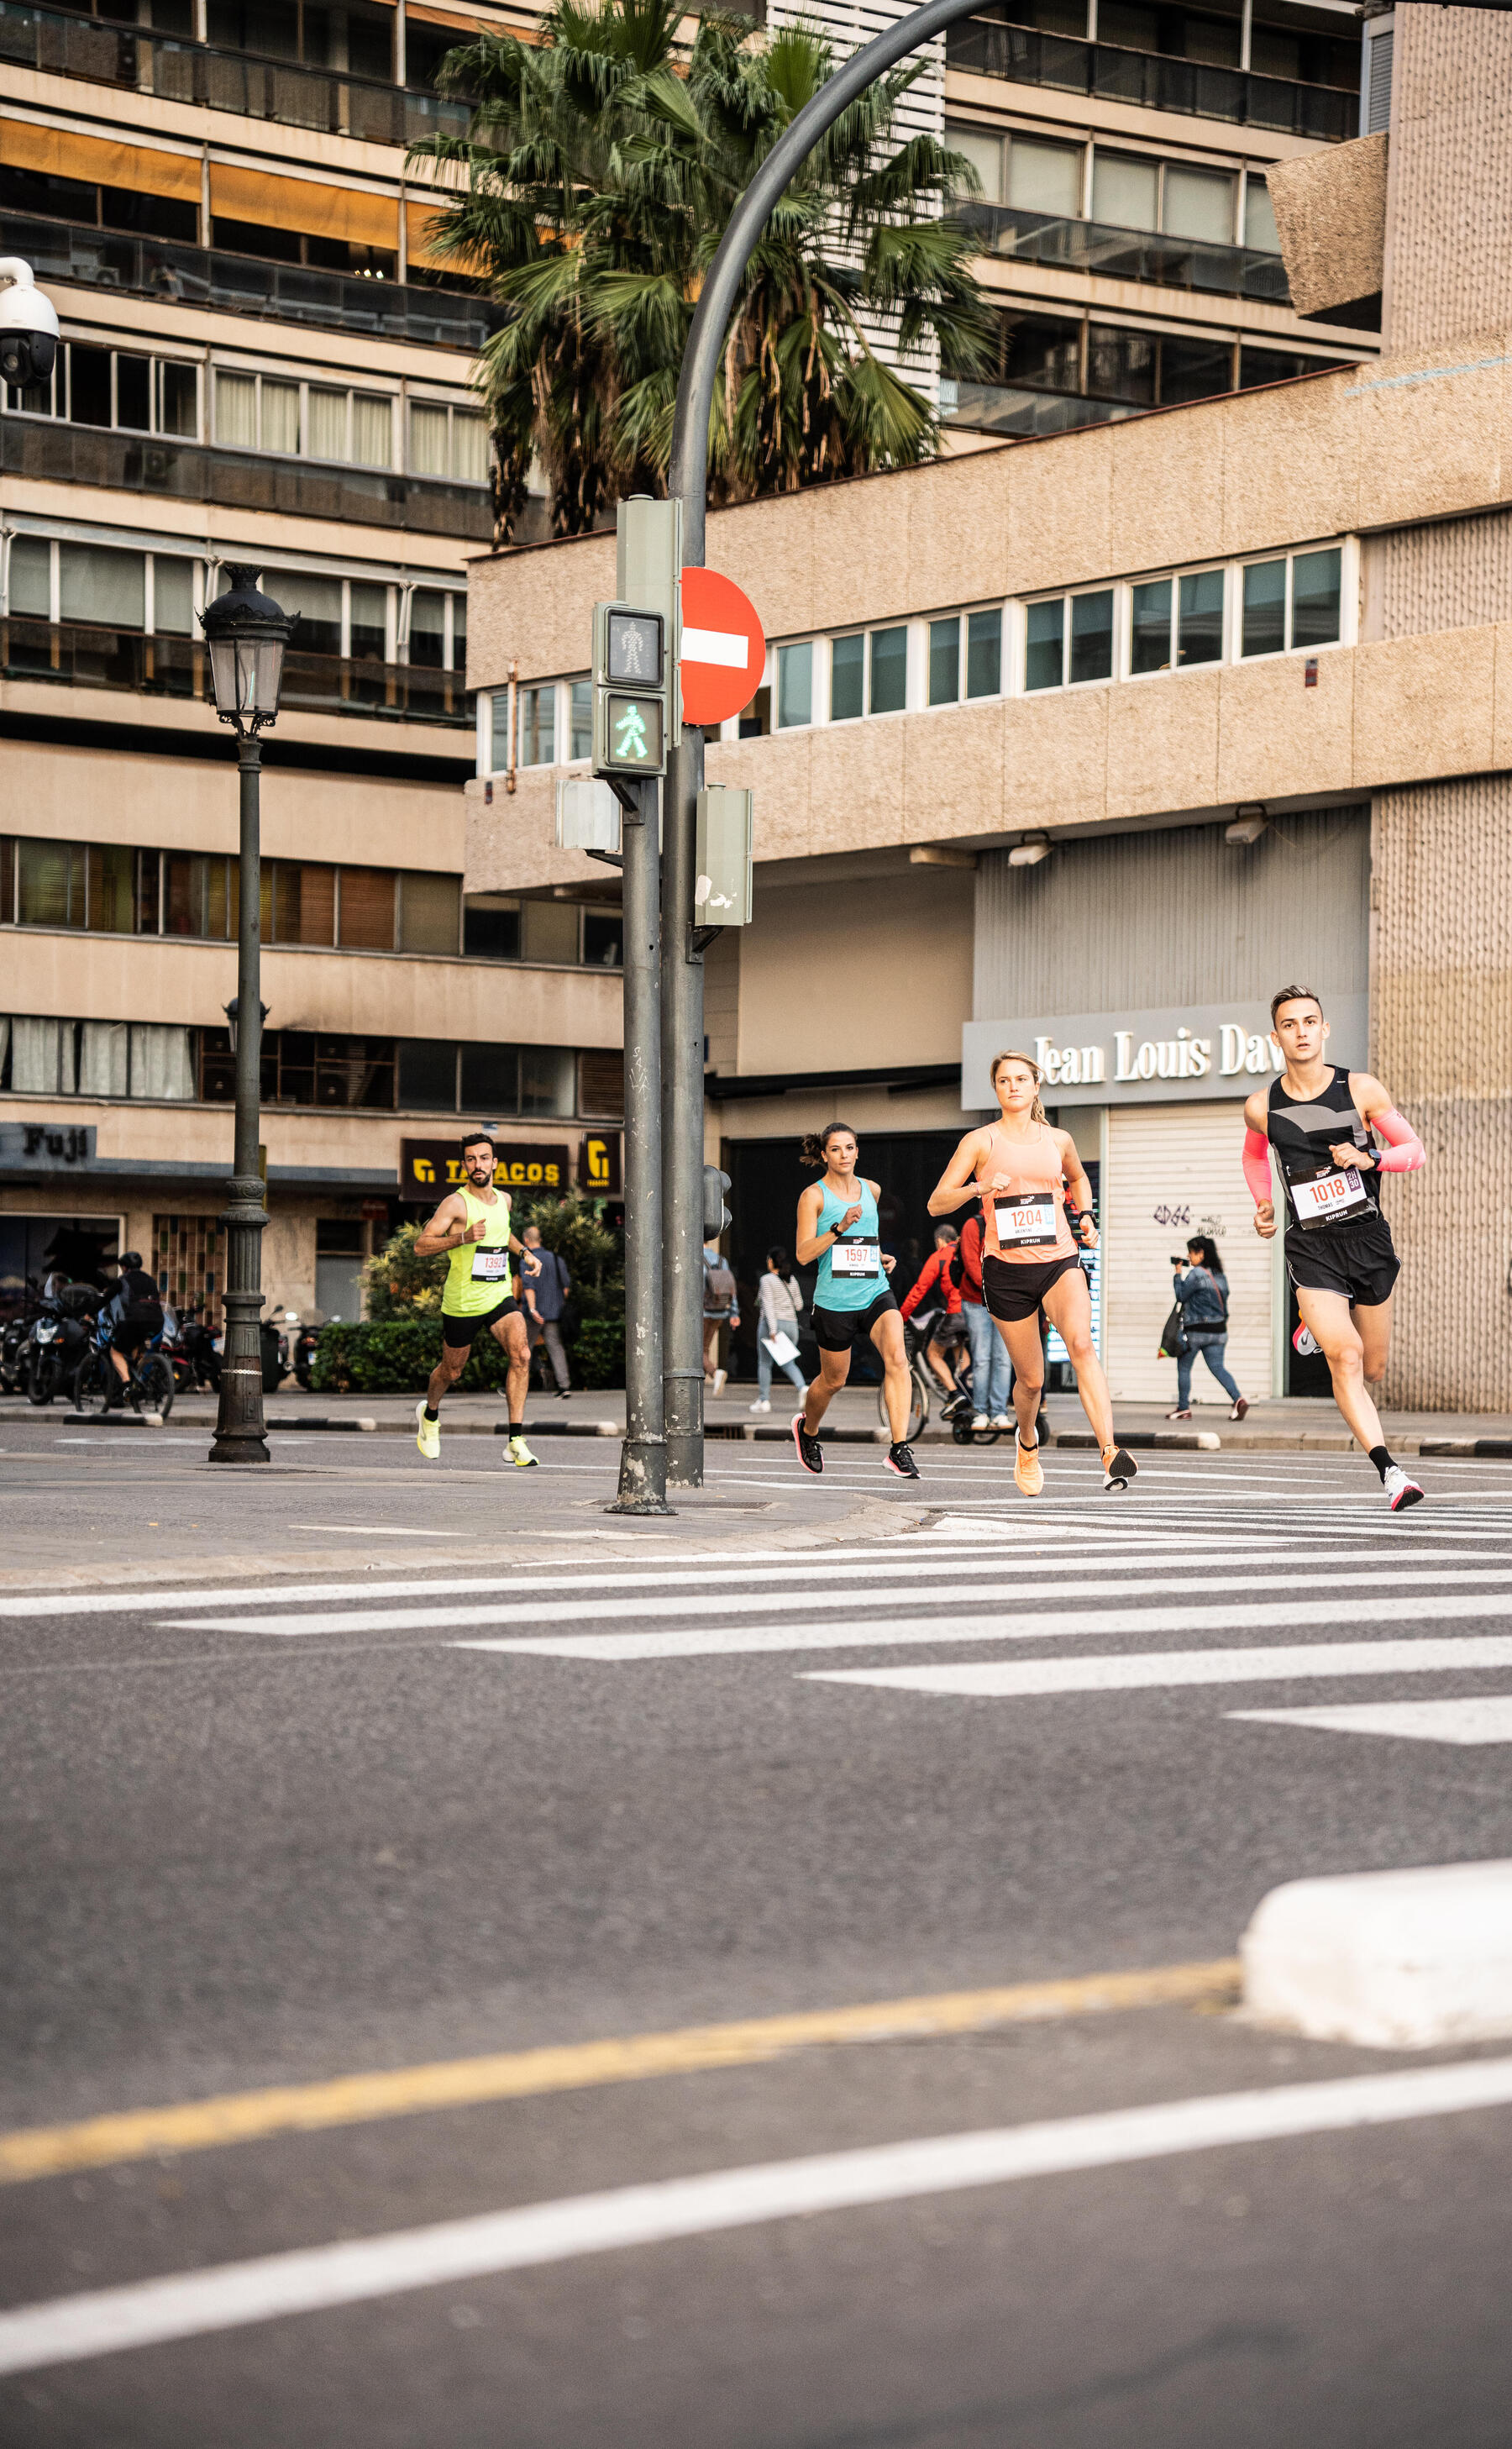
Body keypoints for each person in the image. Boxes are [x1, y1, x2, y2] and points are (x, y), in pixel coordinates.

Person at [1244, 985, 1425, 1511]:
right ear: (1275, 1036)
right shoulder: (1262, 1106)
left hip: (1367, 1241)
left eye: (1309, 1021)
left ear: (1324, 1030)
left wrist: (1373, 1161)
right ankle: (1391, 1474)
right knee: (1344, 1358)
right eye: (1289, 1024)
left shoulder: (1362, 1089)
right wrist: (1264, 1204)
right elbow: (1255, 1159)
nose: (1300, 1031)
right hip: (1312, 1247)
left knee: (1372, 1368)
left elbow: (1414, 1150)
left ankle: (1314, 1324)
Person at [930, 1050, 1136, 1495]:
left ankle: (1109, 1451)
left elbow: (1078, 1179)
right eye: (1004, 1080)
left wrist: (1086, 1215)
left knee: (1082, 1344)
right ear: (997, 1089)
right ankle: (1026, 1443)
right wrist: (979, 1187)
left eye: (1022, 1079)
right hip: (1006, 1272)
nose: (1014, 1086)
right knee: (1032, 1380)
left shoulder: (1058, 1140)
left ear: (1036, 1086)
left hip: (1059, 1260)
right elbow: (937, 1202)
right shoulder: (980, 1142)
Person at [791, 1122, 918, 1480]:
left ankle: (898, 1448)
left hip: (875, 1291)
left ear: (857, 1152)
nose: (844, 1155)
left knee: (897, 1358)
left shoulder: (871, 1190)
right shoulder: (813, 1197)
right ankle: (808, 1431)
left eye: (850, 1148)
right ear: (824, 1155)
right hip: (835, 1301)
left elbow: (867, 1240)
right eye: (836, 1149)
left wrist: (879, 1256)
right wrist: (838, 1227)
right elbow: (803, 1255)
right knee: (833, 1381)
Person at [412, 1131, 540, 1466]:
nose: (477, 1164)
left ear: (495, 1163)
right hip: (463, 1301)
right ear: (464, 1164)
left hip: (497, 1294)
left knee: (522, 1354)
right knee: (451, 1372)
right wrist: (463, 1238)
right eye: (471, 1159)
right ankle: (429, 1415)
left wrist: (525, 1252)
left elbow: (502, 1232)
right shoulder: (455, 1203)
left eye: (483, 1158)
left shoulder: (505, 1200)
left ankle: (515, 1439)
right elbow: (421, 1245)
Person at [1165, 1235, 1248, 1422]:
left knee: (1184, 1368)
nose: (1189, 1256)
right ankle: (1239, 1399)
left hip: (1196, 1331)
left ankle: (1183, 1409)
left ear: (1201, 1254)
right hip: (1218, 1332)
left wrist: (1178, 1273)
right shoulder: (1220, 1275)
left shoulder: (1196, 1274)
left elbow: (1181, 1296)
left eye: (1191, 1253)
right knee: (1218, 1368)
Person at [949, 1210, 1013, 1432]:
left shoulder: (1010, 1220)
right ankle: (981, 1411)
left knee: (1003, 1358)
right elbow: (970, 1262)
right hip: (978, 1301)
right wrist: (997, 1290)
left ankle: (999, 1412)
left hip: (1005, 1300)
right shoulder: (973, 1225)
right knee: (983, 1358)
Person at [900, 1223, 971, 1415]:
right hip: (975, 1312)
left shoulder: (940, 1256)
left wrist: (902, 1315)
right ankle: (969, 1391)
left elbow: (919, 1290)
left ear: (939, 1240)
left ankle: (955, 1394)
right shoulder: (967, 1250)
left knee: (933, 1353)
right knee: (960, 1351)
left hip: (956, 1311)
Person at [751, 1246, 808, 1414]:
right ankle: (802, 1387)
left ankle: (764, 1401)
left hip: (772, 1325)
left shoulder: (767, 1280)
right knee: (788, 1362)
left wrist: (773, 1330)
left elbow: (768, 1305)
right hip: (792, 1326)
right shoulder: (792, 1279)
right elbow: (799, 1305)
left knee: (764, 1363)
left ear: (771, 1261)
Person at [521, 1222, 571, 1399]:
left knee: (523, 1349)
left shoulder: (528, 1258)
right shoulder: (557, 1259)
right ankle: (564, 1386)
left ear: (526, 1240)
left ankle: (517, 1386)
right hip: (554, 1313)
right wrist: (557, 1304)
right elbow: (565, 1287)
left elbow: (529, 1287)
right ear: (539, 1239)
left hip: (533, 1314)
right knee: (556, 1347)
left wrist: (534, 1309)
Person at [104, 1251, 163, 1400]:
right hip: (157, 1321)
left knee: (115, 1352)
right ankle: (141, 1382)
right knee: (135, 1349)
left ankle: (127, 1385)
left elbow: (106, 1298)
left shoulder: (123, 1280)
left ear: (124, 1267)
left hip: (134, 1320)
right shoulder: (150, 1280)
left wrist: (88, 1315)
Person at [702, 1239, 740, 1396]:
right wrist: (734, 1312)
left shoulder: (693, 1257)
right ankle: (704, 1379)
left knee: (696, 1349)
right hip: (719, 1311)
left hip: (702, 1312)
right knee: (703, 1348)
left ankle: (714, 1372)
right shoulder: (721, 1260)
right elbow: (730, 1288)